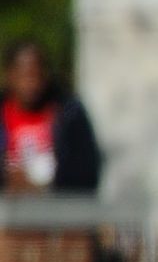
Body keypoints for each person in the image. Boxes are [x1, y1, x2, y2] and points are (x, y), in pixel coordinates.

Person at [1, 39, 101, 194]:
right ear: (11, 75)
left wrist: (50, 185)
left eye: (36, 75)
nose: (31, 84)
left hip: (56, 211)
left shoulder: (68, 114)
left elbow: (87, 169)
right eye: (25, 75)